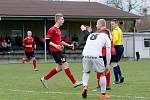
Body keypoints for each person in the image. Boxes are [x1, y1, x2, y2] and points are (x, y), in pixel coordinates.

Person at [40, 13, 82, 88]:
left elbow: (60, 41)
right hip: (55, 51)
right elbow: (47, 41)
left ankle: (44, 78)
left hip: (58, 51)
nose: (63, 21)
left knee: (59, 68)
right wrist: (55, 45)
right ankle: (74, 82)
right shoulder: (52, 29)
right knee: (65, 65)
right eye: (62, 19)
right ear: (58, 20)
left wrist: (69, 45)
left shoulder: (58, 30)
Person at [81, 20, 111, 98]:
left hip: (85, 54)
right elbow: (108, 51)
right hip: (96, 55)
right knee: (102, 74)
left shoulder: (91, 35)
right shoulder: (106, 36)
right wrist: (107, 64)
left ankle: (85, 86)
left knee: (86, 72)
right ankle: (103, 94)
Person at [111, 20, 124, 84]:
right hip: (121, 46)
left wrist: (111, 44)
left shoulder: (115, 30)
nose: (112, 25)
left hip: (117, 47)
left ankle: (116, 80)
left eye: (113, 24)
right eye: (111, 24)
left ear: (116, 24)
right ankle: (120, 76)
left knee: (114, 64)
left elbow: (115, 39)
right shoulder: (119, 29)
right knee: (116, 63)